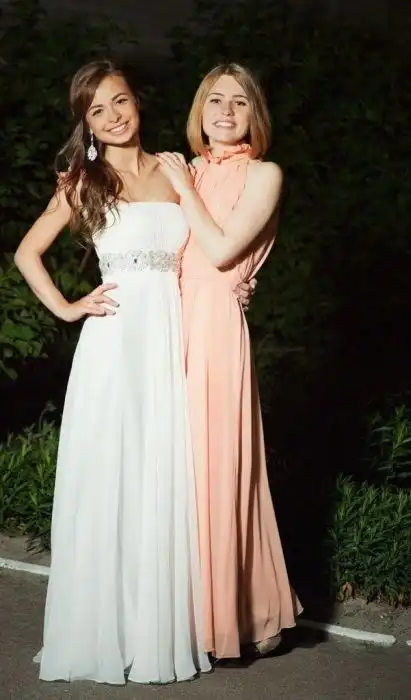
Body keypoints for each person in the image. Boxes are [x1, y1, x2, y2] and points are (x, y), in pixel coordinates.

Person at [14, 59, 215, 685]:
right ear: (87, 123)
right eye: (97, 109)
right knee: (113, 472)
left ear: (137, 102)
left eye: (120, 100)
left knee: (164, 471)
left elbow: (213, 245)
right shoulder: (83, 181)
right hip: (115, 342)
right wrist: (68, 307)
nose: (113, 116)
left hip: (172, 338)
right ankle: (103, 629)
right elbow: (27, 252)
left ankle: (156, 628)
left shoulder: (176, 169)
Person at [156, 62, 302, 662]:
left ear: (254, 115)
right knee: (173, 470)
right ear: (199, 109)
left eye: (240, 102)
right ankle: (178, 611)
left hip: (215, 328)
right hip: (167, 323)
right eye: (215, 99)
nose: (225, 111)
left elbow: (219, 250)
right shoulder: (183, 168)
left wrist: (183, 187)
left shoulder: (265, 174)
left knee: (217, 468)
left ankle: (242, 613)